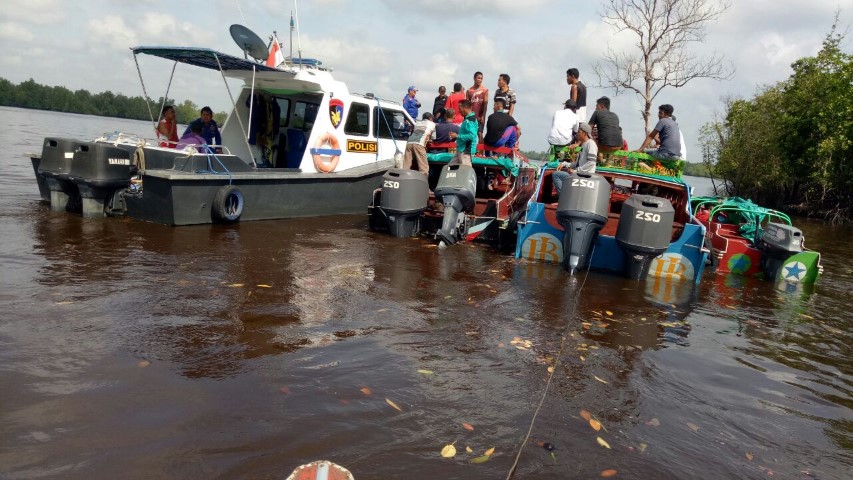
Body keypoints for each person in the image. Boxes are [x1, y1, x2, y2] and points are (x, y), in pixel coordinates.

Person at [552, 122, 597, 196]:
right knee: (559, 173)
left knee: (556, 175)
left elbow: (591, 163)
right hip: (579, 174)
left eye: (579, 132)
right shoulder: (584, 144)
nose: (577, 134)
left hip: (584, 177)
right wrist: (564, 164)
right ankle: (566, 196)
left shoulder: (591, 144)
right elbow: (576, 164)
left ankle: (563, 198)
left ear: (585, 133)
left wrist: (576, 171)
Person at [448, 100, 478, 166]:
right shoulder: (467, 119)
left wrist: (457, 136)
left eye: (459, 108)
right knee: (450, 168)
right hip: (461, 150)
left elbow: (472, 136)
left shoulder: (470, 120)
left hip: (466, 152)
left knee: (465, 171)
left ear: (465, 107)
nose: (459, 110)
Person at [466, 71, 489, 138]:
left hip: (480, 116)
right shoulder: (469, 91)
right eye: (479, 78)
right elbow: (467, 105)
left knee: (480, 133)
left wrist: (483, 116)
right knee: (470, 134)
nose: (480, 80)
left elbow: (485, 104)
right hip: (471, 116)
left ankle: (481, 148)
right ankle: (471, 148)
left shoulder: (485, 90)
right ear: (474, 78)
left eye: (481, 78)